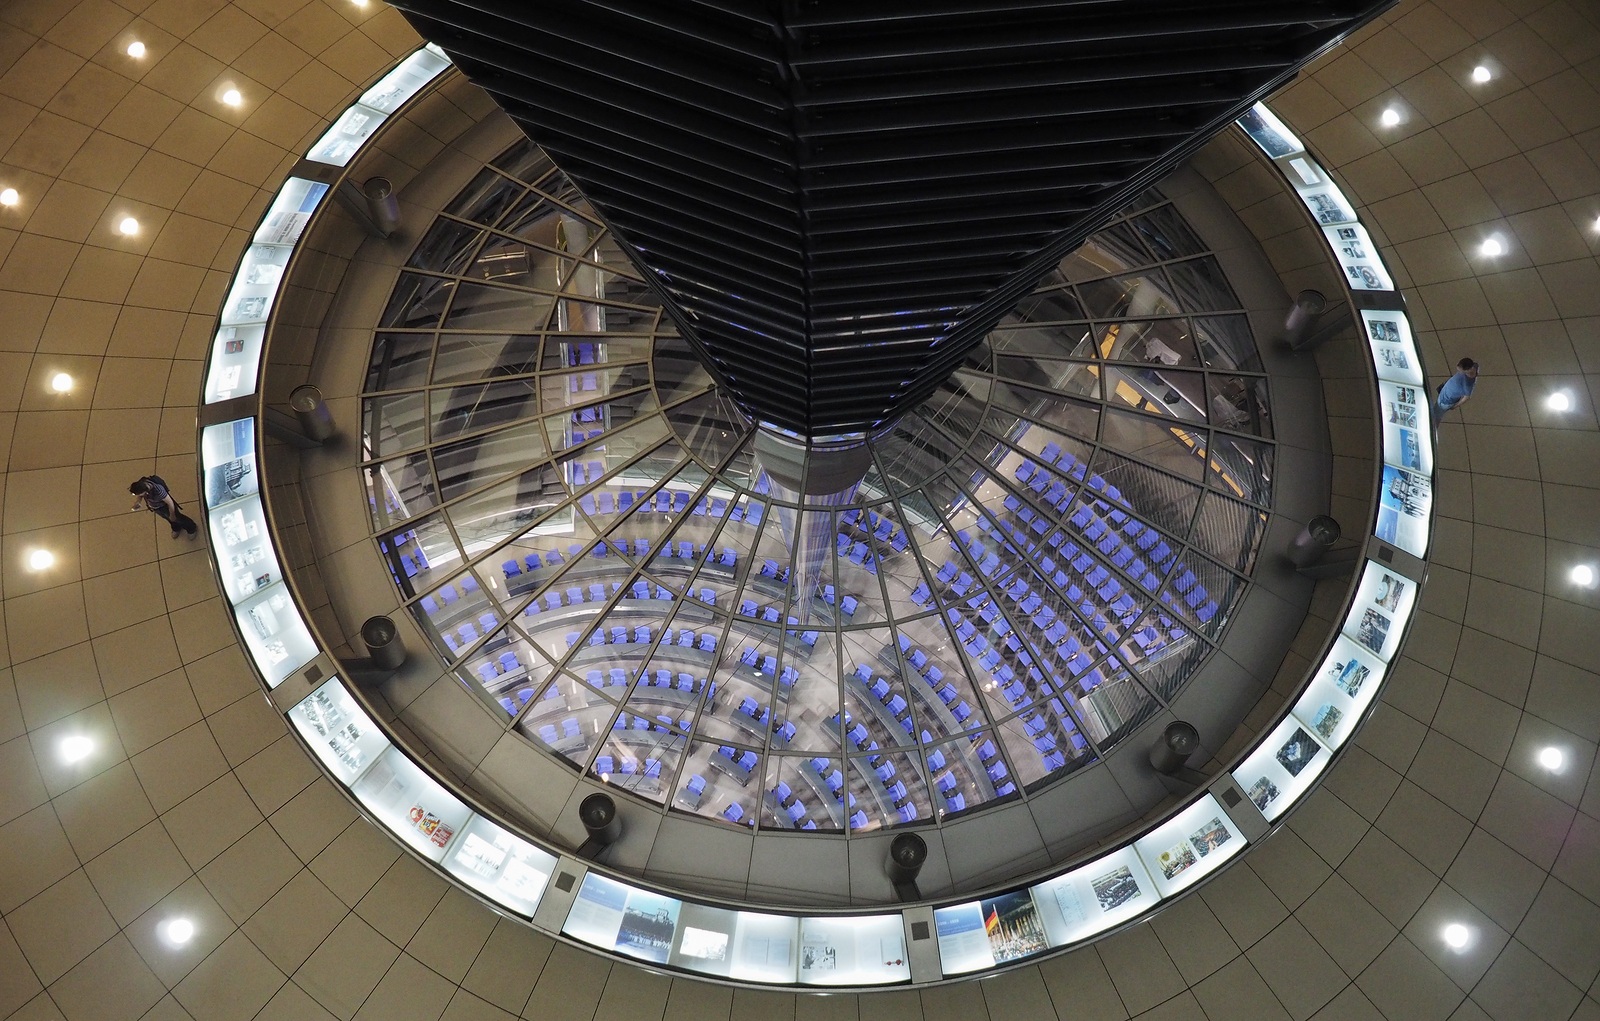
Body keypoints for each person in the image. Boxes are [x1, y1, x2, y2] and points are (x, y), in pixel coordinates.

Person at [130, 476, 198, 539]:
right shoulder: (143, 483)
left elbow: (170, 503)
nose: (138, 495)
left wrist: (172, 514)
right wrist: (138, 502)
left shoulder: (159, 491)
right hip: (156, 508)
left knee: (178, 518)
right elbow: (140, 495)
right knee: (168, 519)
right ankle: (176, 527)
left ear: (145, 491)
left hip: (165, 507)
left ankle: (191, 528)